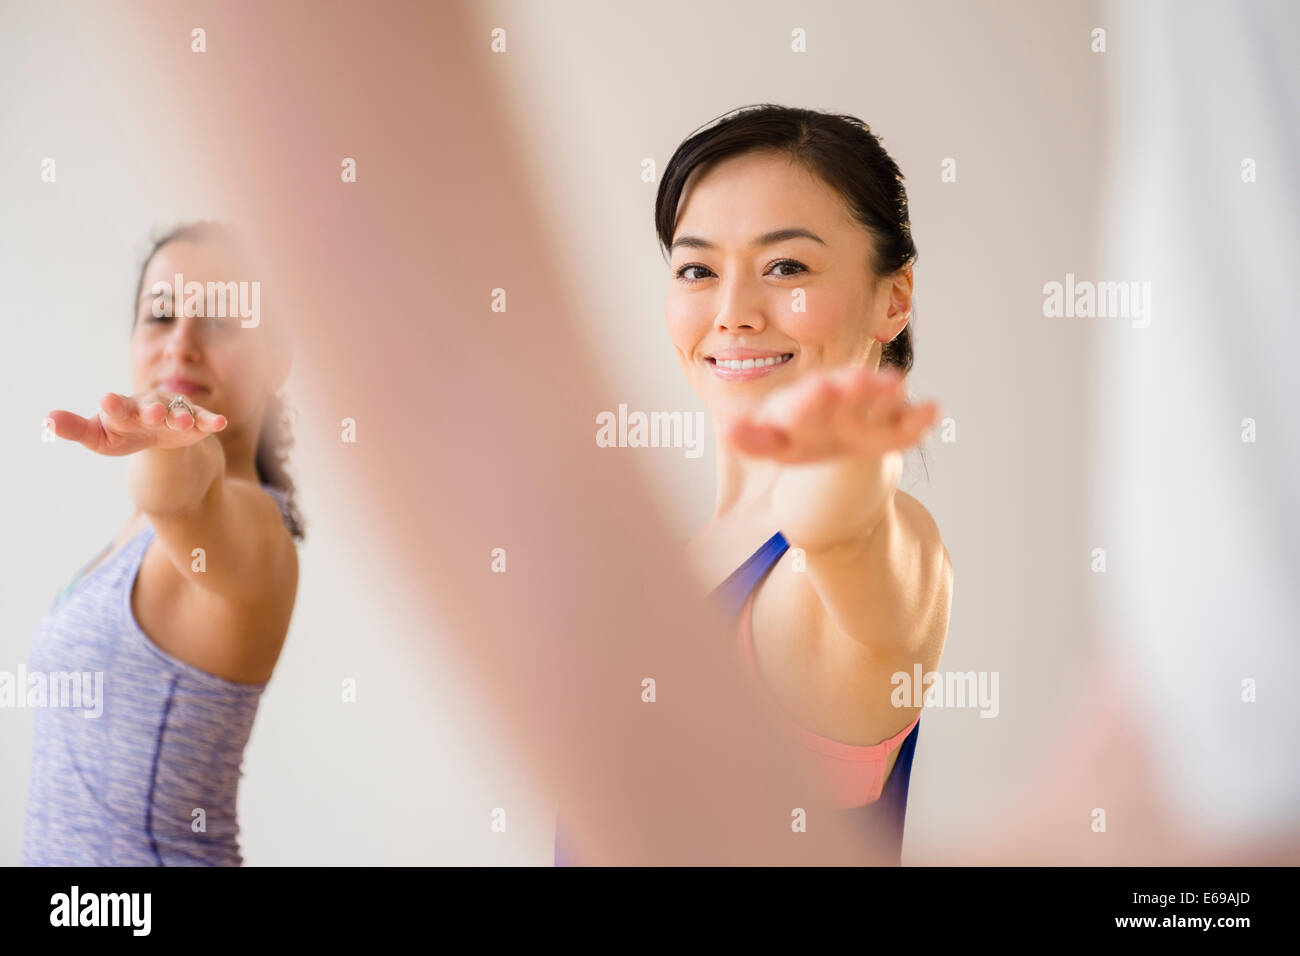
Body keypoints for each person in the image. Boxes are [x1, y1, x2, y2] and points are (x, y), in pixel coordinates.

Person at [558, 105, 953, 865]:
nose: (733, 313)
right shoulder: (677, 566)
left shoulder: (870, 543)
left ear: (893, 298)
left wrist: (843, 469)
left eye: (787, 268)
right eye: (698, 270)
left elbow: (848, 534)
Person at [23, 221, 304, 866]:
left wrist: (170, 444)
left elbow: (180, 487)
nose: (182, 344)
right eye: (160, 316)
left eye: (221, 321)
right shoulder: (141, 534)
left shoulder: (253, 529)